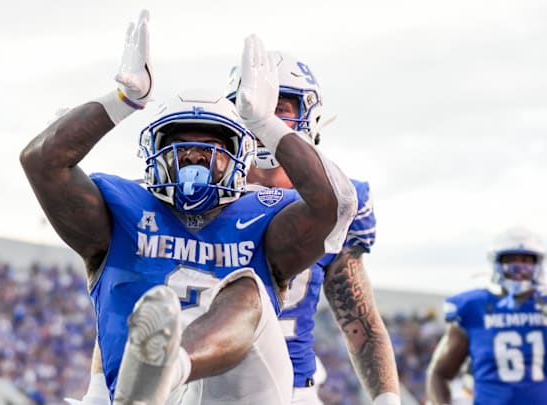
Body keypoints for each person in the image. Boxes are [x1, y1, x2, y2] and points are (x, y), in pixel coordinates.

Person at [21, 10, 357, 405]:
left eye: (211, 146)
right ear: (154, 154)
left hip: (236, 394)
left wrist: (265, 123)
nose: (195, 155)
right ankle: (153, 378)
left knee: (247, 289)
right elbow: (41, 161)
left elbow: (338, 205)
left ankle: (165, 367)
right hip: (136, 398)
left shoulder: (264, 216)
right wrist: (122, 100)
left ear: (240, 156)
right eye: (180, 143)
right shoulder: (119, 210)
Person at [225, 51, 401, 405]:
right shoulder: (202, 196)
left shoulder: (337, 201)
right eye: (255, 104)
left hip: (293, 391)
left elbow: (361, 326)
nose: (263, 118)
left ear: (311, 115)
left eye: (280, 108)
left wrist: (386, 399)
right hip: (205, 387)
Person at [426, 227, 547, 404]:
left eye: (526, 260)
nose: (519, 266)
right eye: (511, 259)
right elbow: (439, 373)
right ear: (497, 263)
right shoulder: (473, 307)